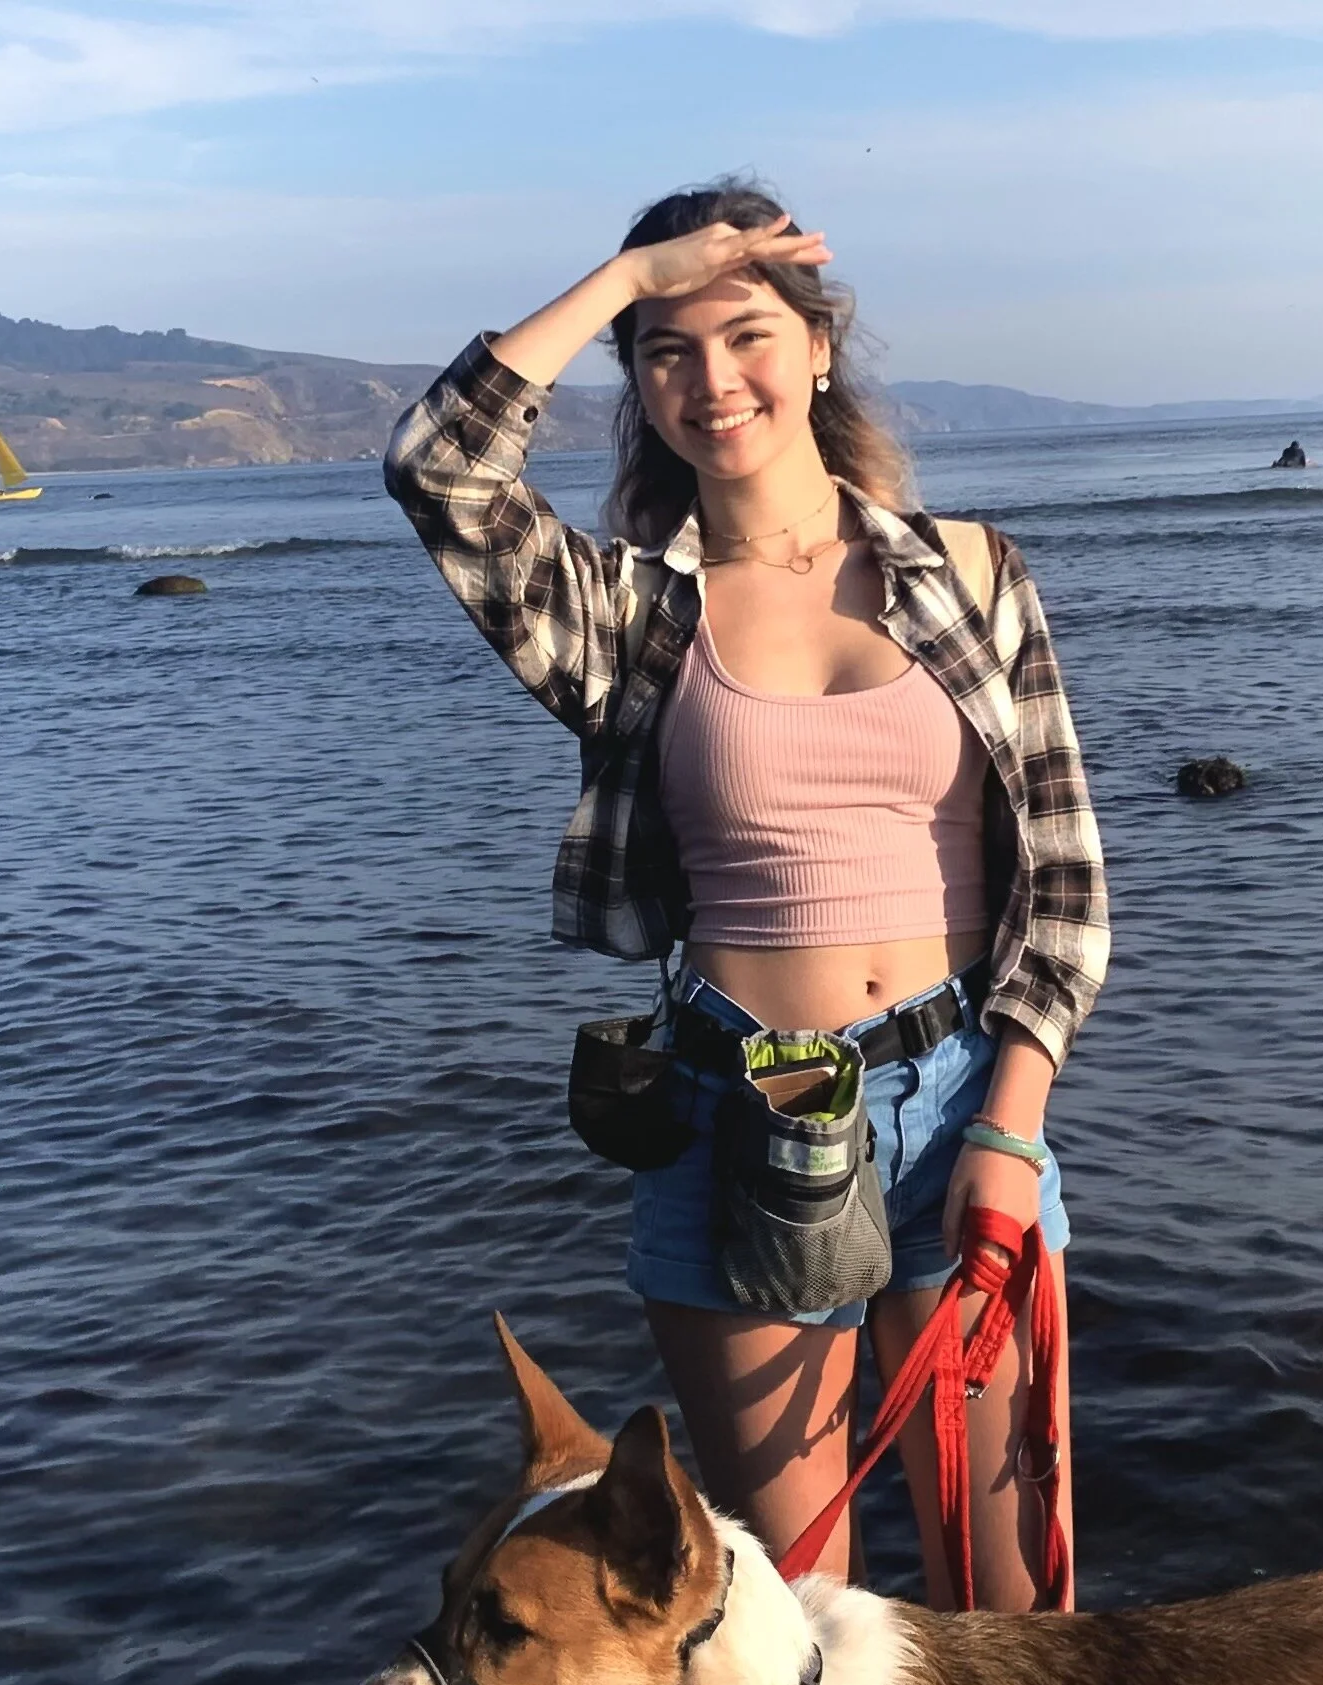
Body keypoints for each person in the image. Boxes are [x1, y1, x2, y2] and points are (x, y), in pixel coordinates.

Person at [386, 179, 1107, 1611]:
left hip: (963, 1098)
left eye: (748, 335)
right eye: (668, 350)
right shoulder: (629, 613)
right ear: (639, 384)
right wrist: (628, 276)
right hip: (740, 1118)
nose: (712, 379)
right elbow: (440, 468)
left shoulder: (969, 572)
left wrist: (1010, 1129)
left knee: (1017, 1619)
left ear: (819, 349)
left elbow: (1066, 881)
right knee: (799, 1621)